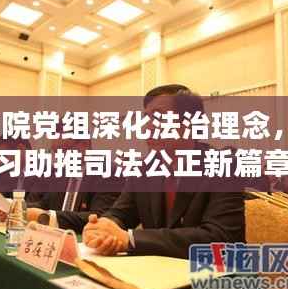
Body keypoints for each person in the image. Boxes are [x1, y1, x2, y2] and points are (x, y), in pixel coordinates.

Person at [82, 84, 245, 258]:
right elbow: (120, 213)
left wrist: (130, 238)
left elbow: (221, 238)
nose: (147, 127)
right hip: (156, 268)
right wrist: (102, 227)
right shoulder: (144, 170)